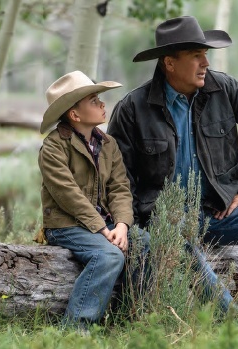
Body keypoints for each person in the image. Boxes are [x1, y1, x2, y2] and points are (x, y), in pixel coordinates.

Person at [107, 16, 238, 315]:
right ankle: (234, 324)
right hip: (165, 220)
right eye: (196, 55)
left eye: (206, 54)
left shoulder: (224, 88)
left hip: (220, 212)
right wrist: (135, 225)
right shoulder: (132, 108)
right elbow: (118, 177)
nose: (205, 62)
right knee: (184, 245)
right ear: (170, 63)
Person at [36, 70, 150, 331]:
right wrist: (102, 229)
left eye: (99, 99)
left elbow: (120, 188)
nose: (102, 104)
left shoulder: (108, 144)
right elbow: (67, 194)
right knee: (109, 256)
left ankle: (127, 317)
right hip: (66, 226)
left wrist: (122, 225)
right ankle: (76, 329)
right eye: (93, 101)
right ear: (74, 115)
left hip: (106, 226)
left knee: (143, 243)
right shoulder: (54, 147)